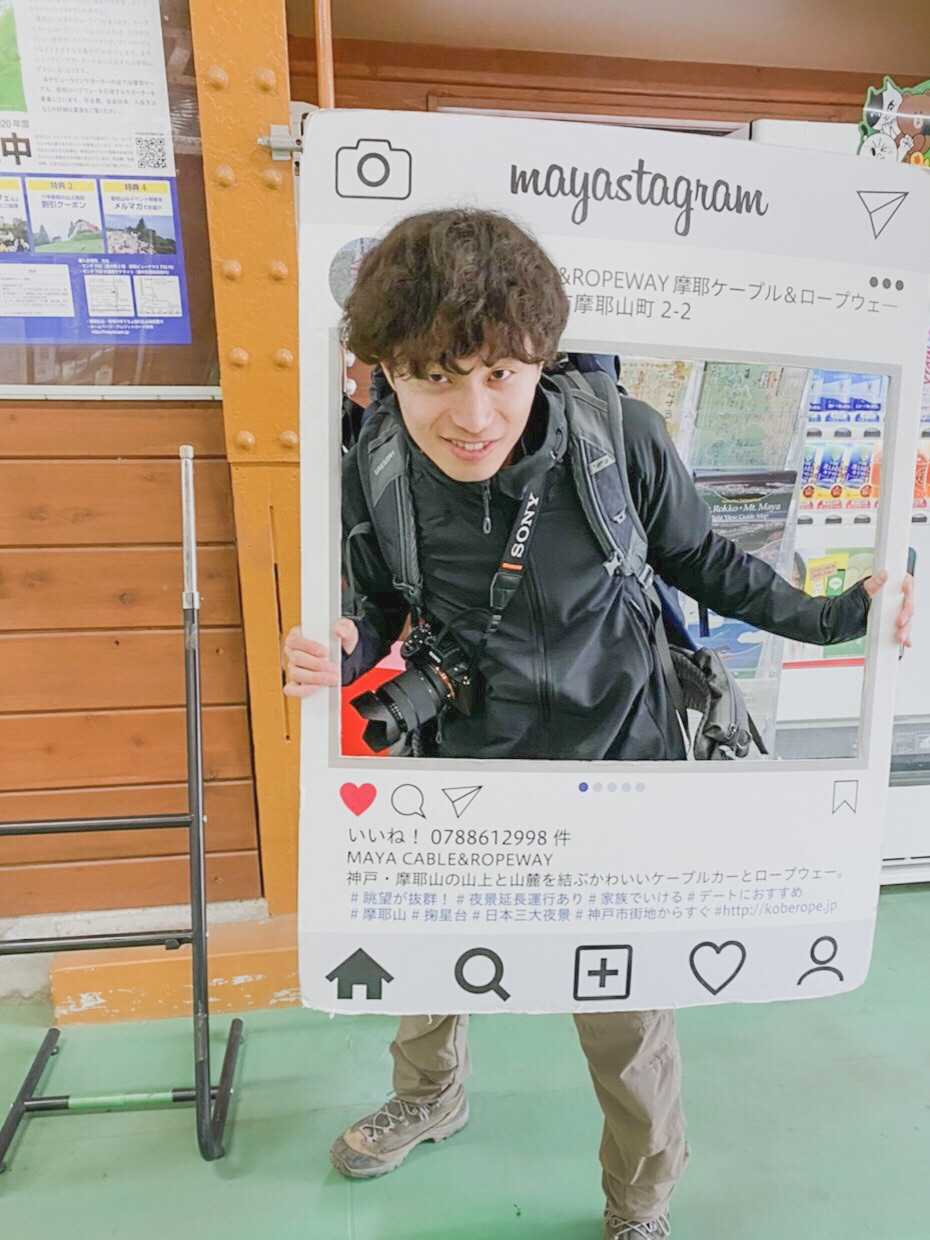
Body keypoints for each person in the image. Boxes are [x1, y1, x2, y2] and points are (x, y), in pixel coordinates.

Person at [283, 208, 913, 1239]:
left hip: (620, 759)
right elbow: (375, 610)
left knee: (623, 1007)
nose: (473, 413)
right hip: (466, 761)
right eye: (434, 376)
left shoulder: (617, 437)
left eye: (500, 372)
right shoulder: (377, 462)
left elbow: (704, 562)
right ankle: (430, 1095)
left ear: (540, 355)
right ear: (386, 370)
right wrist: (333, 654)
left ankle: (641, 1196)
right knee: (426, 954)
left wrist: (837, 617)